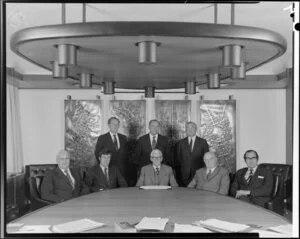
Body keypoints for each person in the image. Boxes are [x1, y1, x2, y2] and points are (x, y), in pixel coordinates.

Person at [94, 117, 128, 182]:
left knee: (122, 190)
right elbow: (97, 154)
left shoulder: (124, 138)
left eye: (117, 124)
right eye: (113, 124)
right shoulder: (102, 138)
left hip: (122, 171)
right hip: (108, 170)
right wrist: (104, 166)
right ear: (109, 125)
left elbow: (126, 155)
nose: (115, 126)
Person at [176, 121, 209, 186]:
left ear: (196, 129)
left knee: (198, 194)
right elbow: (178, 159)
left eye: (192, 127)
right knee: (185, 194)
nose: (190, 129)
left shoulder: (203, 142)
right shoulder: (181, 143)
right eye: (188, 128)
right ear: (185, 130)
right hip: (184, 175)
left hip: (199, 174)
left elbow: (206, 159)